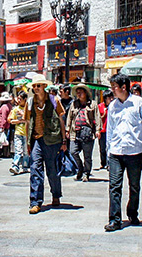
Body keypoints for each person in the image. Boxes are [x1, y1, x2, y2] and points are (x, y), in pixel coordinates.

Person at [104, 73, 142, 232]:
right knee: (114, 186)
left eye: (114, 87)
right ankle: (115, 219)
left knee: (134, 186)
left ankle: (132, 213)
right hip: (116, 152)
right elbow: (110, 129)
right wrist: (108, 150)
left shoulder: (138, 103)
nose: (112, 90)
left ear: (123, 87)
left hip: (135, 151)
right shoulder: (113, 106)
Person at [25, 74, 67, 214]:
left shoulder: (54, 100)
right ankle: (35, 202)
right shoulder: (30, 102)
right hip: (36, 139)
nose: (36, 88)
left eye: (38, 85)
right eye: (34, 86)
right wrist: (28, 142)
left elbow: (61, 119)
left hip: (52, 140)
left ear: (44, 86)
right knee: (35, 169)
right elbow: (27, 122)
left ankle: (55, 194)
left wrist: (64, 140)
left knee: (52, 170)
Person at [66, 84, 102, 182]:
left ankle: (86, 173)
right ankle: (80, 168)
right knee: (73, 151)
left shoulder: (93, 104)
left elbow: (97, 117)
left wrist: (98, 130)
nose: (79, 94)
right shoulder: (74, 104)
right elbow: (69, 117)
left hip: (87, 132)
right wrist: (67, 129)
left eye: (81, 92)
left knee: (87, 155)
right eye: (77, 92)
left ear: (85, 93)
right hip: (75, 132)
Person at [8, 91, 29, 174]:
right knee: (18, 150)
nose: (19, 100)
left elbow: (30, 119)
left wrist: (23, 115)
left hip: (27, 133)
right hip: (18, 133)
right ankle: (15, 165)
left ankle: (25, 166)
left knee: (26, 152)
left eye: (20, 99)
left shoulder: (28, 108)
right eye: (18, 99)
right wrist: (19, 121)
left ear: (25, 99)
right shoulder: (16, 109)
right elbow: (10, 120)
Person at [98, 89, 114, 170]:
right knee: (102, 148)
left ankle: (109, 164)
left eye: (111, 97)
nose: (110, 99)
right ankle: (103, 162)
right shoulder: (100, 106)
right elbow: (97, 119)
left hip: (111, 130)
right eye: (109, 98)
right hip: (103, 130)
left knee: (110, 147)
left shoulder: (114, 106)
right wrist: (104, 113)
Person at [0, 92, 13, 158]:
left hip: (3, 125)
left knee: (3, 139)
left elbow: (3, 117)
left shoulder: (4, 107)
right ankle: (7, 153)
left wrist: (3, 126)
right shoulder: (10, 106)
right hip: (8, 125)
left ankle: (5, 153)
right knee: (6, 139)